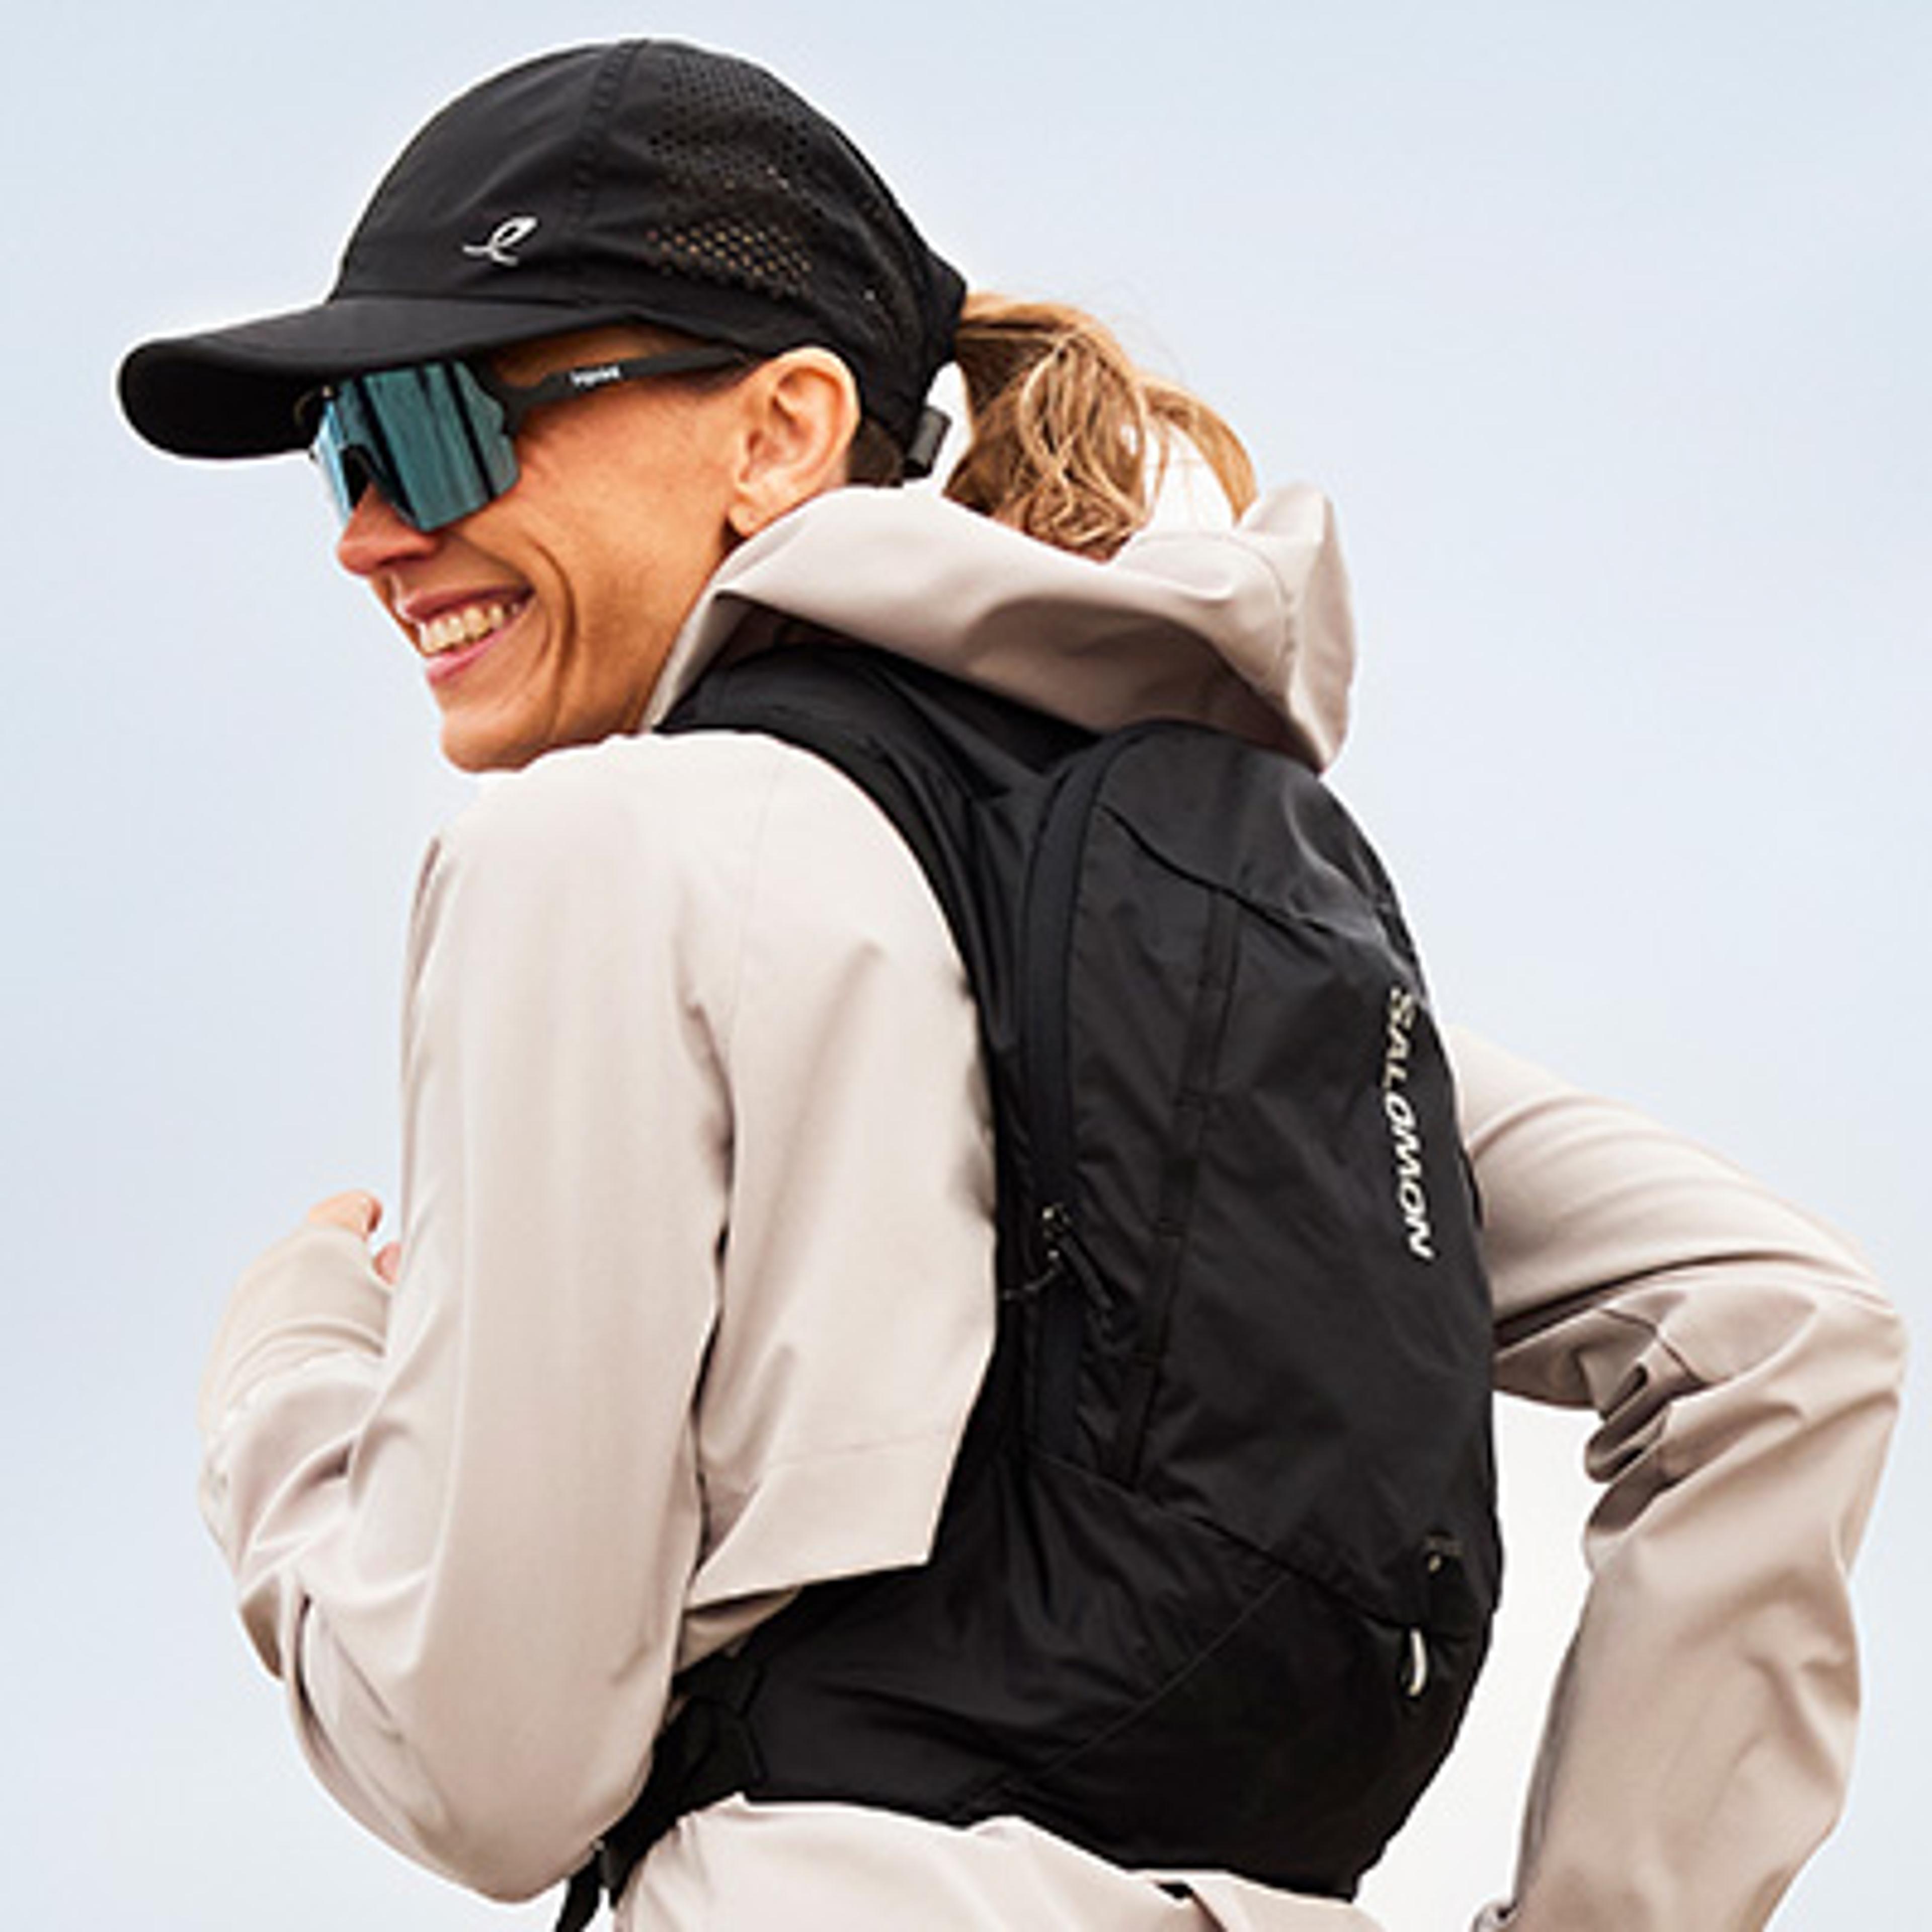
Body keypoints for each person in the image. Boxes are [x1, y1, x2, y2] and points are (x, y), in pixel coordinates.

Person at [118, 38, 1903, 1932]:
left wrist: (294, 1373)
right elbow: (1784, 1326)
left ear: (782, 431)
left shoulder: (599, 852)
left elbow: (477, 1764)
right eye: (348, 448)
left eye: (446, 422)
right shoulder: (1191, 912)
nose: (367, 527)